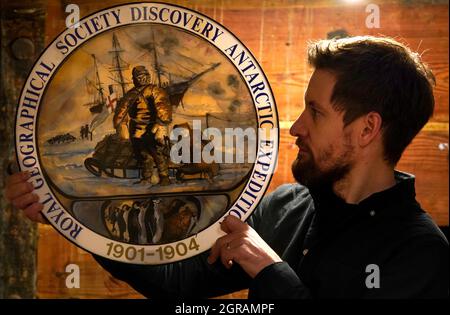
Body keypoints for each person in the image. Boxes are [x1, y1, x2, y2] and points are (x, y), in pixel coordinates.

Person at [4, 36, 448, 298]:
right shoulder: (286, 205)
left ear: (367, 128)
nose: (295, 127)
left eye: (315, 112)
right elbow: (179, 282)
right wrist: (75, 217)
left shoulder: (420, 253)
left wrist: (271, 271)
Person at [113, 65, 172, 186]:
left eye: (143, 76)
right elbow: (121, 110)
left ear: (148, 77)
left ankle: (164, 177)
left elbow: (163, 106)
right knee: (143, 155)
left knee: (156, 153)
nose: (141, 79)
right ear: (134, 79)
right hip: (135, 128)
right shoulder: (130, 94)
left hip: (152, 127)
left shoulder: (154, 90)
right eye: (138, 77)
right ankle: (146, 178)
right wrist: (118, 124)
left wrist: (160, 123)